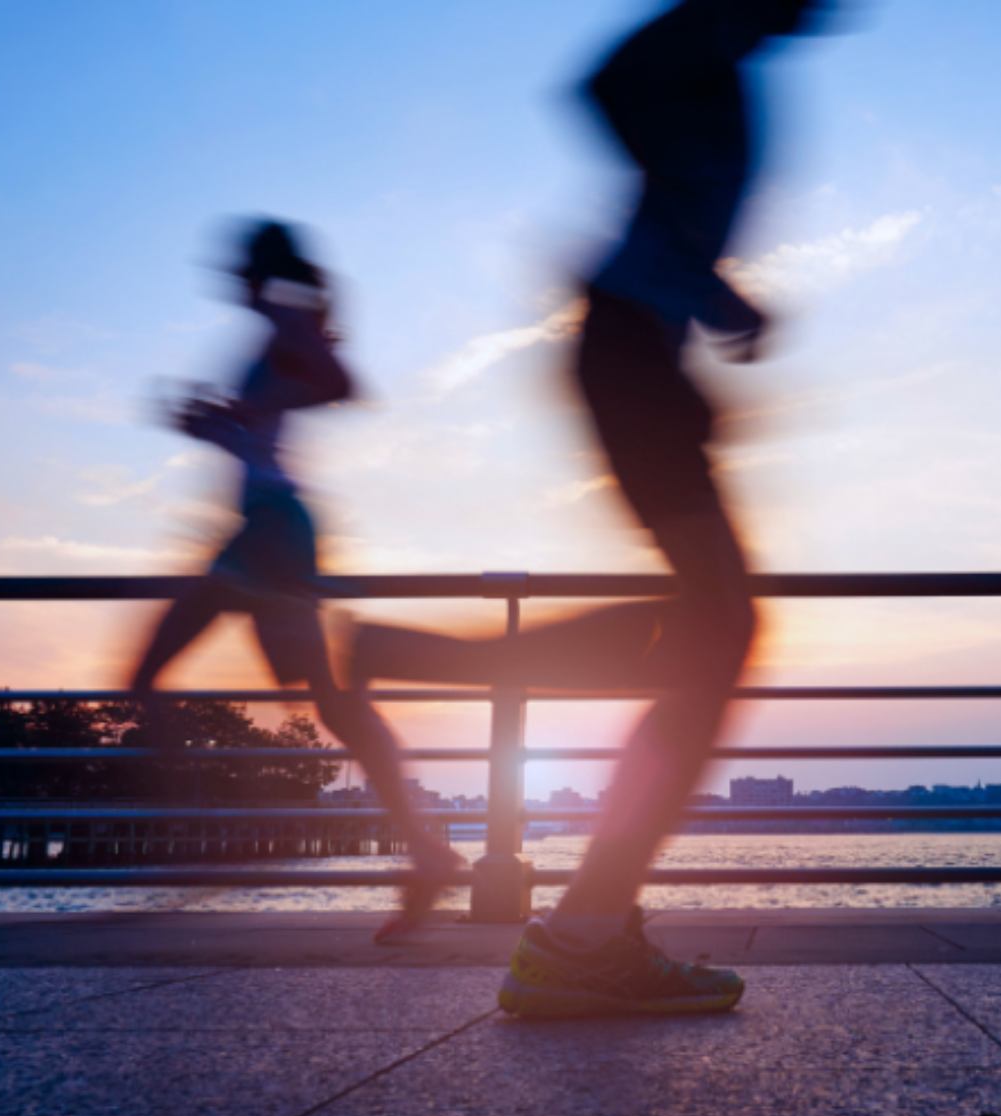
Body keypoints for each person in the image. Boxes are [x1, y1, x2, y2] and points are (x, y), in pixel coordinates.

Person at [347, 0, 829, 1016]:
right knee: (724, 623)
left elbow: (632, 126)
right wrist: (697, 281)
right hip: (627, 352)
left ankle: (584, 918)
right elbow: (606, 84)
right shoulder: (707, 40)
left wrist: (704, 293)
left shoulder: (729, 67)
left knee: (710, 624)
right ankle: (584, 931)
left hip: (640, 353)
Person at [129, 219, 462, 943]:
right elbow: (267, 426)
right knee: (329, 703)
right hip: (261, 529)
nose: (229, 278)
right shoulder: (275, 324)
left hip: (272, 529)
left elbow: (339, 384)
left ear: (257, 271)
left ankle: (195, 821)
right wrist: (219, 424)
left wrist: (244, 412)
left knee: (159, 678)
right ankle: (425, 849)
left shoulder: (283, 315)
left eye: (237, 266)